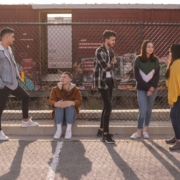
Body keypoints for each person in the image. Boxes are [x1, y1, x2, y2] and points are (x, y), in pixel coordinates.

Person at [0, 27, 39, 141]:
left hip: (13, 83)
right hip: (4, 85)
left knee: (25, 97)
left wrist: (18, 77)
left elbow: (12, 65)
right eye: (12, 36)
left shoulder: (9, 49)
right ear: (6, 37)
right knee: (0, 108)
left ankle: (25, 121)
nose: (14, 39)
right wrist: (1, 85)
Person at [130, 40, 160, 139]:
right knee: (143, 110)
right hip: (142, 89)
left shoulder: (155, 60)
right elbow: (137, 77)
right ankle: (138, 132)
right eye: (148, 47)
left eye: (152, 46)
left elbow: (156, 76)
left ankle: (145, 130)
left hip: (153, 89)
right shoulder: (138, 59)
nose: (150, 48)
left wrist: (151, 88)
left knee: (149, 110)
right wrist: (148, 87)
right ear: (144, 48)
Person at [93, 30, 117, 144]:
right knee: (109, 107)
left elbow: (114, 66)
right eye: (112, 40)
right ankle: (105, 135)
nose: (114, 42)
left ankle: (101, 130)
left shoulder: (111, 51)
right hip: (102, 82)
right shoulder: (99, 51)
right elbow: (105, 67)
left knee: (106, 107)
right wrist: (111, 64)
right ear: (106, 39)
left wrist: (111, 64)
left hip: (109, 81)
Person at [49, 72, 82, 139]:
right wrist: (56, 104)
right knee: (59, 107)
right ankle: (59, 130)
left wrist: (71, 103)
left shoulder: (76, 90)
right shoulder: (55, 89)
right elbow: (51, 100)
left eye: (64, 77)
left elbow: (79, 101)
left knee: (70, 107)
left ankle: (68, 130)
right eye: (61, 77)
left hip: (71, 116)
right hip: (58, 116)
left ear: (70, 79)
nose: (62, 78)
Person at [165, 44, 180, 150]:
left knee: (173, 116)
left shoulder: (176, 64)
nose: (169, 53)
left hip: (177, 95)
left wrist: (171, 100)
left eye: (170, 51)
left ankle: (179, 141)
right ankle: (177, 137)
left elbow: (174, 85)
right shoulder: (176, 63)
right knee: (178, 117)